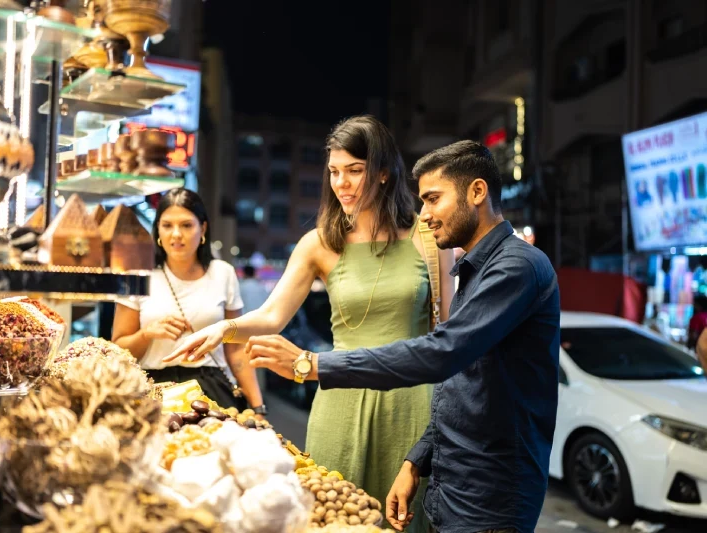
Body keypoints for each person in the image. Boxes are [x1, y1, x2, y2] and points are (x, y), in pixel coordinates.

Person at [241, 141, 561, 533]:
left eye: (433, 199)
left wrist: (313, 364)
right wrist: (417, 461)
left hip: (492, 495)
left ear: (477, 192)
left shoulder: (517, 267)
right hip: (452, 482)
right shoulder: (475, 269)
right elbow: (460, 382)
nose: (424, 215)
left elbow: (441, 353)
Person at [167, 115, 455, 532]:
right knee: (333, 514)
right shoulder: (319, 243)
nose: (342, 183)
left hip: (411, 404)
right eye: (335, 172)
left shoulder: (426, 239)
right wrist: (221, 329)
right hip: (340, 401)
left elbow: (448, 334)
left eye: (355, 171)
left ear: (384, 173)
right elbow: (272, 315)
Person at [112, 188, 264, 412]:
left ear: (202, 228)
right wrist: (147, 334)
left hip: (210, 388)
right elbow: (118, 349)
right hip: (152, 390)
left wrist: (258, 406)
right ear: (157, 231)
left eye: (186, 225)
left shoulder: (223, 273)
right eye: (167, 225)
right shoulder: (138, 275)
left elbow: (236, 349)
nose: (176, 234)